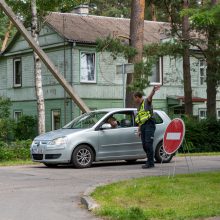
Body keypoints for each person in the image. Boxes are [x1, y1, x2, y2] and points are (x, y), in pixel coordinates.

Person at [133, 86, 160, 169]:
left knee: (148, 144)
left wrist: (153, 91)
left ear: (137, 97)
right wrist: (139, 130)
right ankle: (149, 161)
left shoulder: (146, 101)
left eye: (134, 98)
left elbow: (150, 97)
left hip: (150, 124)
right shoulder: (139, 107)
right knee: (144, 145)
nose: (134, 100)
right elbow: (141, 119)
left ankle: (150, 162)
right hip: (144, 125)